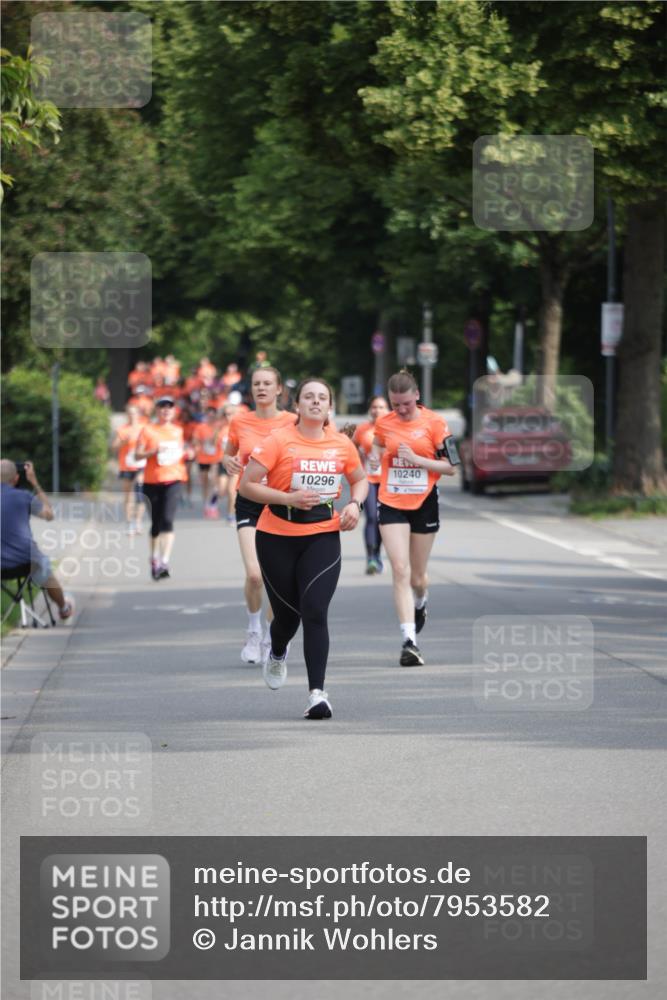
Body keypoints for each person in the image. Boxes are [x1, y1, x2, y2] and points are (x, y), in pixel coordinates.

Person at [239, 377, 367, 719]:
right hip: (276, 535)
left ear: (329, 407)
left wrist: (355, 505)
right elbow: (247, 485)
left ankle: (317, 694)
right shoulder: (278, 440)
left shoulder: (341, 444)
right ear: (297, 405)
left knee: (314, 610)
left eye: (321, 397)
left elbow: (360, 479)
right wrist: (287, 498)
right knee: (287, 616)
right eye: (308, 396)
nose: (315, 402)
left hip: (322, 534)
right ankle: (277, 650)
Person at [368, 370, 455, 667]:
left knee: (418, 577)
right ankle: (409, 641)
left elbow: (451, 467)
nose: (401, 410)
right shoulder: (384, 423)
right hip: (391, 500)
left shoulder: (435, 423)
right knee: (400, 569)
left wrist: (418, 460)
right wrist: (376, 457)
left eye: (406, 404)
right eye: (395, 405)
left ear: (417, 395)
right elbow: (379, 444)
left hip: (424, 501)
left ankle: (421, 601)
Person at [223, 367, 295, 663]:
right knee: (255, 575)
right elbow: (229, 453)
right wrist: (227, 461)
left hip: (280, 503)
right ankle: (253, 630)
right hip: (250, 501)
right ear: (251, 389)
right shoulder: (240, 421)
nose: (262, 388)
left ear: (279, 389)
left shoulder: (293, 421)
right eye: (257, 384)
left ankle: (269, 634)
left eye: (268, 384)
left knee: (276, 578)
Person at [0, 459, 74, 620]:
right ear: (16, 478)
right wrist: (34, 482)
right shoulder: (23, 497)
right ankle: (64, 608)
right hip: (25, 564)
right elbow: (49, 515)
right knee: (45, 570)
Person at [134, 397, 191, 580]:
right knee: (156, 524)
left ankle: (164, 561)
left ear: (174, 412)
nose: (166, 410)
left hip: (174, 479)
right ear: (156, 411)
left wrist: (188, 454)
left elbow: (182, 451)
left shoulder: (178, 431)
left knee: (168, 520)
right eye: (162, 407)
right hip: (152, 481)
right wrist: (153, 452)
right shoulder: (148, 430)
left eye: (169, 408)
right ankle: (154, 558)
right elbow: (137, 455)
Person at [353, 395, 390, 574]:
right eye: (375, 407)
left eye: (382, 407)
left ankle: (377, 554)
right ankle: (371, 558)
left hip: (388, 481)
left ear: (389, 410)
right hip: (368, 479)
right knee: (372, 517)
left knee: (382, 520)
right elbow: (351, 447)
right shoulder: (363, 430)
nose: (377, 410)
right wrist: (359, 458)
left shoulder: (394, 429)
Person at [112, 404, 147, 534]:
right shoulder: (123, 430)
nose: (132, 415)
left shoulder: (144, 428)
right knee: (128, 495)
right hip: (126, 465)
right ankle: (129, 522)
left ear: (138, 414)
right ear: (127, 415)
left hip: (141, 465)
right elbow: (113, 447)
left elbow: (150, 443)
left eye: (134, 413)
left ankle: (138, 521)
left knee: (140, 491)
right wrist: (123, 443)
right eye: (129, 413)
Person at [192, 406, 224, 518]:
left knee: (215, 483)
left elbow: (221, 442)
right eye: (208, 415)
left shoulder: (219, 427)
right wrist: (199, 444)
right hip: (203, 459)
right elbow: (195, 441)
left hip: (216, 459)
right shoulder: (200, 427)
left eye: (212, 415)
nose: (210, 417)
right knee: (205, 484)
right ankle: (207, 505)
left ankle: (213, 504)